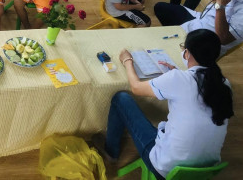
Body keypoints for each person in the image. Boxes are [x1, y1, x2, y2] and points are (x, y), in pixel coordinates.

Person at [94, 30, 233, 179]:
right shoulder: (225, 84)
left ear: (187, 53)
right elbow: (193, 89)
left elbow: (136, 87)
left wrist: (127, 61)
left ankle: (111, 152)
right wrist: (176, 73)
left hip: (165, 168)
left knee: (121, 99)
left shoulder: (179, 79)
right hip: (204, 170)